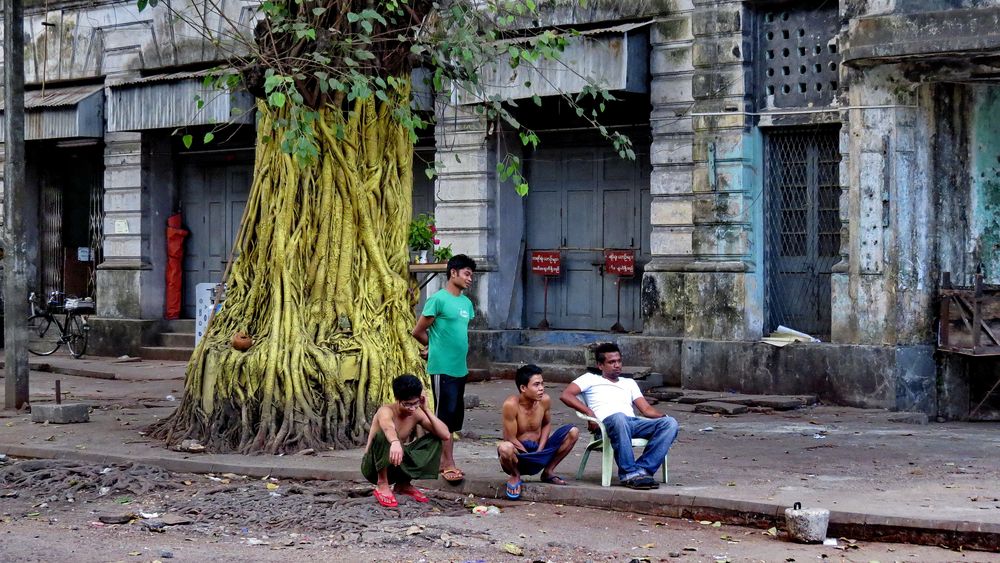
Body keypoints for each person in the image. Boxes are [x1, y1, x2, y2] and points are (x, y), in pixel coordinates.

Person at [559, 343, 679, 490]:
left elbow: (646, 409)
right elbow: (566, 395)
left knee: (670, 423)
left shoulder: (629, 383)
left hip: (632, 424)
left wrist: (664, 417)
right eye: (611, 362)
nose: (617, 365)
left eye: (619, 361)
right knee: (619, 417)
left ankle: (642, 471)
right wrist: (589, 413)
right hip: (607, 426)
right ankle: (629, 473)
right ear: (600, 365)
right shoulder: (589, 379)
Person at [411, 254, 476, 483]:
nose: (470, 279)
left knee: (455, 417)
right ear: (453, 273)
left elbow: (458, 334)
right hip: (442, 368)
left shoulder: (467, 304)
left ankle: (440, 460)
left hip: (460, 368)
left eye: (471, 275)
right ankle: (446, 463)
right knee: (444, 416)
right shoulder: (437, 300)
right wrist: (432, 346)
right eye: (467, 274)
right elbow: (418, 332)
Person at [361, 374, 452, 508]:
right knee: (383, 436)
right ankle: (382, 484)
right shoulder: (385, 411)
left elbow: (445, 435)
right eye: (407, 404)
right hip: (373, 466)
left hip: (397, 463)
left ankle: (403, 484)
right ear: (398, 400)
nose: (412, 408)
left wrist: (426, 409)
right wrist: (395, 442)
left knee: (435, 438)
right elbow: (387, 427)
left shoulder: (417, 412)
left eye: (415, 403)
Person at [497, 364, 580, 500]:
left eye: (542, 384)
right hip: (520, 455)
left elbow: (547, 424)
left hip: (539, 450)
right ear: (523, 388)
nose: (541, 388)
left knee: (573, 432)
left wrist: (540, 449)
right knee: (505, 448)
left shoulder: (544, 400)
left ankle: (548, 472)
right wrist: (532, 456)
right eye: (536, 385)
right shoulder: (511, 405)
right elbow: (510, 438)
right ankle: (515, 475)